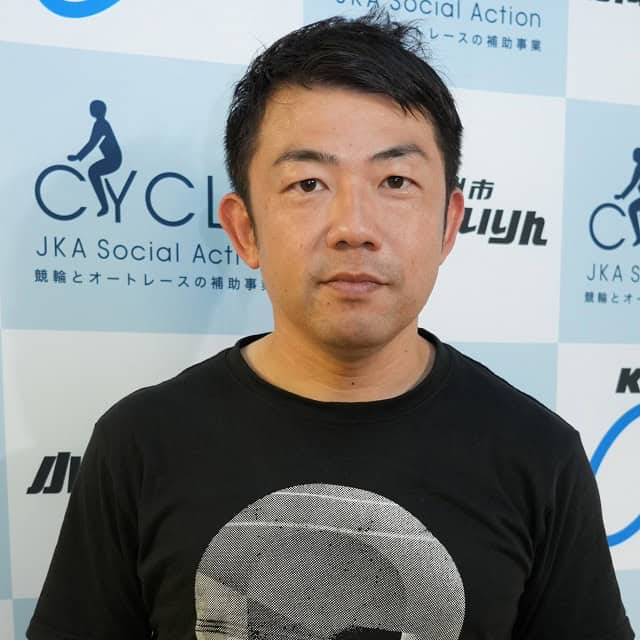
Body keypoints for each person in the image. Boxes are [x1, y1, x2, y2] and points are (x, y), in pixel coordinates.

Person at [28, 11, 634, 640]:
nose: (354, 226)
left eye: (395, 180)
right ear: (244, 229)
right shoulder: (140, 443)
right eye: (308, 182)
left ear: (449, 224)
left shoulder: (537, 455)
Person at [67, 99, 122, 217]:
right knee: (93, 172)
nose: (91, 110)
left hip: (114, 160)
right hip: (111, 158)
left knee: (93, 172)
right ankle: (105, 205)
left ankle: (105, 206)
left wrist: (78, 156)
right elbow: (93, 142)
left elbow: (92, 143)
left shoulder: (101, 124)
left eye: (93, 108)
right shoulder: (100, 123)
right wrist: (78, 156)